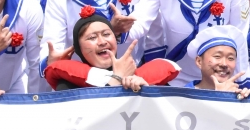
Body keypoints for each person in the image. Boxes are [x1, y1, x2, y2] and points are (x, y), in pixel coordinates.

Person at [44, 11, 179, 90]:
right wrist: (117, 79)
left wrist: (147, 91)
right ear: (79, 49)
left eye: (106, 34)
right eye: (92, 37)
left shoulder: (138, 77)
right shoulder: (67, 84)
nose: (102, 42)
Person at [186, 25, 250, 98]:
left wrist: (246, 101)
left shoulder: (238, 95)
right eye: (217, 56)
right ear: (199, 61)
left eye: (230, 58)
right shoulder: (182, 96)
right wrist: (221, 96)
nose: (224, 64)